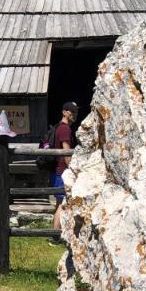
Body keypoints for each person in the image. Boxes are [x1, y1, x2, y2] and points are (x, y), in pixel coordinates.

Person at [51, 101, 78, 238]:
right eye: (71, 111)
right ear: (64, 112)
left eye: (75, 112)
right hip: (63, 171)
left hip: (58, 170)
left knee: (58, 203)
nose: (74, 114)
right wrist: (72, 169)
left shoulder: (59, 127)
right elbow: (66, 152)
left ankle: (54, 233)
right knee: (62, 203)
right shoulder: (65, 129)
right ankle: (56, 236)